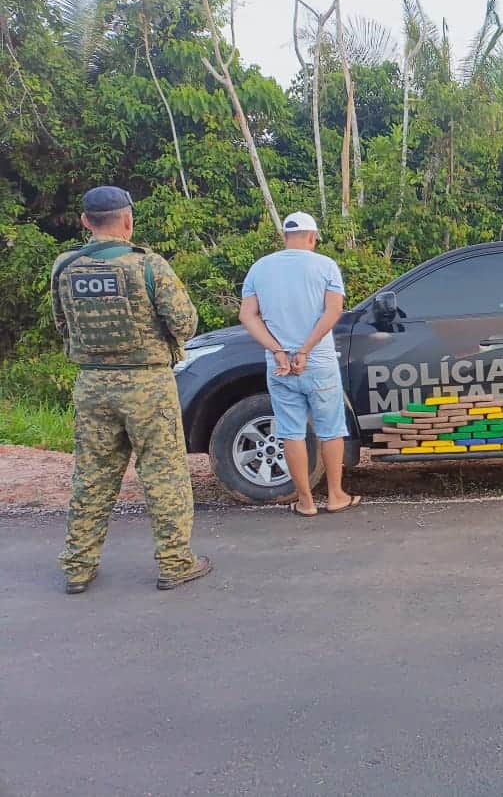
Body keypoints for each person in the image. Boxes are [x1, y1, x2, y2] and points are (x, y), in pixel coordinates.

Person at [52, 186, 212, 594]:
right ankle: (175, 563)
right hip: (148, 384)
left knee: (92, 477)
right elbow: (185, 324)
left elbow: (63, 325)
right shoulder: (149, 266)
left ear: (85, 221)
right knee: (164, 475)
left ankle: (77, 567)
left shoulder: (64, 268)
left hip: (92, 384)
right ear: (128, 221)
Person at [239, 211, 360, 517]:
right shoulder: (325, 266)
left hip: (279, 366)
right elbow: (333, 312)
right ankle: (335, 495)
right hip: (317, 362)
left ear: (284, 238)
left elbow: (247, 315)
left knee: (291, 432)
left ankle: (305, 501)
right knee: (331, 428)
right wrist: (305, 349)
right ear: (312, 237)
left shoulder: (260, 268)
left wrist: (278, 350)